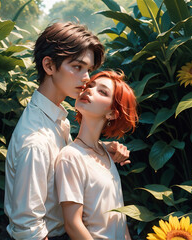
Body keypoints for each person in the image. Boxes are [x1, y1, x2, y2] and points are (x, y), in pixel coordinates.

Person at [4, 22, 130, 240]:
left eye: (88, 70)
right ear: (49, 66)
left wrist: (100, 150)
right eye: (77, 67)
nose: (86, 79)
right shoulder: (36, 140)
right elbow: (28, 229)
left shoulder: (56, 119)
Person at [55, 70, 138, 240]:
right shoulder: (71, 156)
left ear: (112, 113)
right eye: (90, 85)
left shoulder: (105, 154)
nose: (89, 90)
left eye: (102, 91)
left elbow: (119, 220)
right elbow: (72, 224)